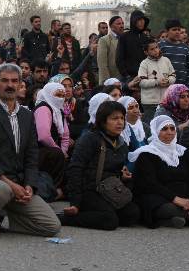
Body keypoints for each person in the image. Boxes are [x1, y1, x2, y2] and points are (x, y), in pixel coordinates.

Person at [0, 63, 61, 239]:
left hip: (17, 181)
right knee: (1, 191)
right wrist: (9, 184)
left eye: (15, 81)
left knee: (51, 226)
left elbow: (31, 155)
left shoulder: (27, 115)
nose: (10, 85)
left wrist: (29, 184)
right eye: (5, 80)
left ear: (20, 84)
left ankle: (4, 215)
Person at [131, 115, 189, 228]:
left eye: (172, 128)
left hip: (185, 195)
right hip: (161, 196)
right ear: (156, 132)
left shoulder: (184, 152)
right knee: (159, 206)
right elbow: (150, 184)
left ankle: (172, 220)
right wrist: (176, 199)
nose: (169, 132)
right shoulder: (146, 154)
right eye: (164, 129)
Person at [61, 101, 140, 230]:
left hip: (109, 190)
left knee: (132, 214)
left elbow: (114, 171)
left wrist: (123, 176)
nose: (120, 122)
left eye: (121, 118)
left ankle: (99, 213)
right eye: (114, 118)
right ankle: (67, 218)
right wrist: (75, 202)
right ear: (103, 121)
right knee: (109, 220)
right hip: (89, 190)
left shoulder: (121, 144)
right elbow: (75, 169)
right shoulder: (90, 139)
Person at [34, 82, 69, 198]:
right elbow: (43, 136)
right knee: (56, 154)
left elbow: (65, 135)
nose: (60, 98)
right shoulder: (44, 108)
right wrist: (59, 150)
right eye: (57, 95)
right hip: (38, 150)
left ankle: (56, 189)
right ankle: (53, 189)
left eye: (62, 96)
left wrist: (63, 151)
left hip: (51, 150)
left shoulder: (59, 110)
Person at [138, 38, 176, 123]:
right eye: (152, 49)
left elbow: (173, 76)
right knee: (150, 125)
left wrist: (168, 81)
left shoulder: (166, 60)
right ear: (146, 52)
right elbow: (141, 82)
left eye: (157, 47)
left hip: (165, 101)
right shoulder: (144, 63)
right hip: (150, 103)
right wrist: (157, 82)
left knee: (164, 125)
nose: (156, 50)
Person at [118, 96, 150, 172]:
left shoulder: (144, 126)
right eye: (131, 108)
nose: (136, 110)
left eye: (137, 106)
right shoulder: (120, 130)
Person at [159, 19, 189, 87]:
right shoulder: (160, 46)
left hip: (181, 87)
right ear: (167, 31)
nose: (177, 32)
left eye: (178, 29)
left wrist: (188, 86)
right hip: (164, 87)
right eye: (174, 30)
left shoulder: (186, 48)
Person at [116, 10, 150, 80]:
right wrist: (126, 75)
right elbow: (119, 58)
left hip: (145, 77)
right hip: (129, 77)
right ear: (133, 21)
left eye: (143, 20)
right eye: (139, 20)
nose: (142, 22)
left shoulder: (146, 38)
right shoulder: (124, 37)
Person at [97, 16, 124, 84]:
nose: (121, 26)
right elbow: (102, 64)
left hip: (125, 80)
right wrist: (108, 82)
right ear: (111, 26)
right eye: (118, 24)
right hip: (111, 81)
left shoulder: (126, 38)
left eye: (122, 23)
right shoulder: (104, 40)